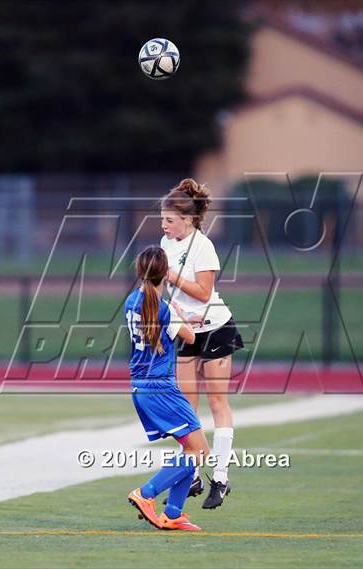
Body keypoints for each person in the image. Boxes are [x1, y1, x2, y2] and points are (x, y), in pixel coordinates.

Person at [160, 178, 244, 509]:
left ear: (188, 219)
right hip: (186, 330)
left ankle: (220, 478)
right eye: (162, 220)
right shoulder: (165, 244)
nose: (164, 225)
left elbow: (204, 293)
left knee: (217, 402)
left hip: (216, 328)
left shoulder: (202, 247)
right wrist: (176, 312)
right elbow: (173, 294)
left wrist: (170, 275)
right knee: (185, 408)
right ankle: (191, 473)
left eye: (169, 220)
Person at [125, 245, 210, 531]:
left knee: (190, 448)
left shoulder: (131, 301)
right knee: (199, 451)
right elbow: (189, 337)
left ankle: (173, 513)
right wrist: (180, 314)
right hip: (161, 388)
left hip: (141, 386)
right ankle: (146, 494)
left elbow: (165, 326)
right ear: (166, 275)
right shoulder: (162, 308)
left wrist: (176, 316)